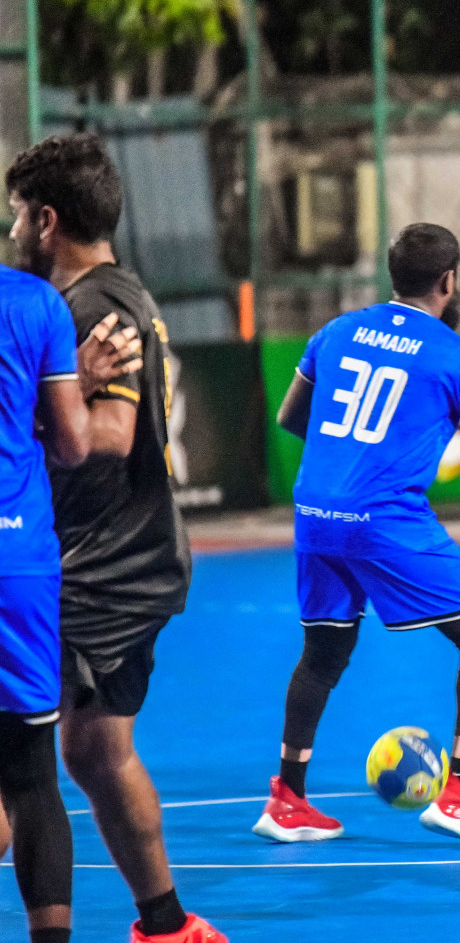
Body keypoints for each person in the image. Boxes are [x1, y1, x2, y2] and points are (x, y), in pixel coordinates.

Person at [253, 222, 460, 847]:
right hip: (383, 518)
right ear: (450, 280)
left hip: (315, 514)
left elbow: (290, 416)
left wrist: (350, 462)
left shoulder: (335, 331)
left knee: (324, 653)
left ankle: (286, 800)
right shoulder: (453, 355)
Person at [6, 134, 226, 943]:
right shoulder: (100, 297)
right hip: (128, 560)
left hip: (94, 570)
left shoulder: (94, 306)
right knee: (97, 754)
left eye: (17, 216)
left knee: (15, 764)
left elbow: (107, 431)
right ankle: (167, 924)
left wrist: (33, 406)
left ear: (46, 221)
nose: (12, 231)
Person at [0, 245, 141, 943]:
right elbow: (75, 445)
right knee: (30, 779)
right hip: (16, 560)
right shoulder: (35, 304)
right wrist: (74, 379)